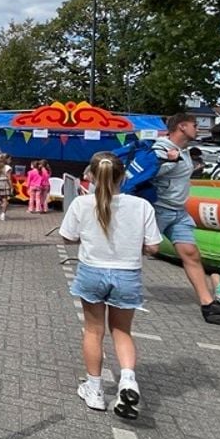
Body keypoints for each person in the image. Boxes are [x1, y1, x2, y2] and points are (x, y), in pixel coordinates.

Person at [62, 152, 162, 420]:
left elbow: (67, 236)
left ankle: (94, 389)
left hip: (92, 271)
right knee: (122, 332)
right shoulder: (141, 206)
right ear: (124, 176)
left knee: (93, 331)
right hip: (127, 273)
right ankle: (128, 380)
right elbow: (154, 246)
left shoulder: (82, 203)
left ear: (91, 176)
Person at [152, 113, 220, 323]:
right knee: (145, 248)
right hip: (158, 210)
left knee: (191, 254)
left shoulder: (184, 151)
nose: (198, 128)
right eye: (195, 125)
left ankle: (208, 306)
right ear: (182, 127)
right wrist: (169, 161)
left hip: (178, 212)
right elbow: (151, 173)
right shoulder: (161, 148)